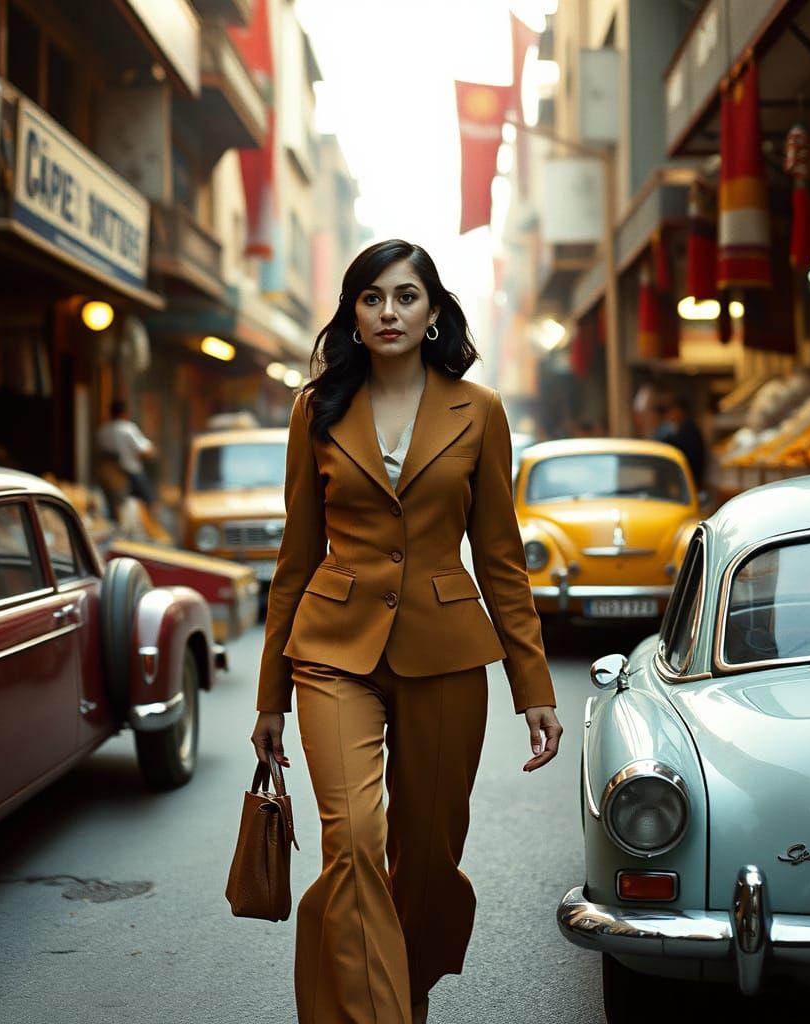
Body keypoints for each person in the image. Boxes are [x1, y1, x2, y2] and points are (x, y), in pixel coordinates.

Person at [250, 239, 563, 1024]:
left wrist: (534, 688)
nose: (389, 312)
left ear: (431, 313)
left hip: (447, 651)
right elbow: (294, 559)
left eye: (406, 297)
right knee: (352, 840)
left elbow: (500, 558)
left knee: (426, 861)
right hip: (331, 649)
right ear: (352, 315)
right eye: (372, 298)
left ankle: (404, 988)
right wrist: (269, 699)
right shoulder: (314, 410)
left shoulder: (480, 410)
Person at [95, 397, 157, 515]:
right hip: (131, 474)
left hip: (109, 476)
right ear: (124, 412)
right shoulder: (127, 429)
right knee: (149, 503)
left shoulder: (102, 431)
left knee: (114, 510)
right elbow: (145, 450)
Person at [660, 393, 706, 490]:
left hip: (691, 480)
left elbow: (671, 444)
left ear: (678, 411)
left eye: (671, 411)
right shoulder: (686, 427)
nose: (669, 415)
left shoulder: (688, 430)